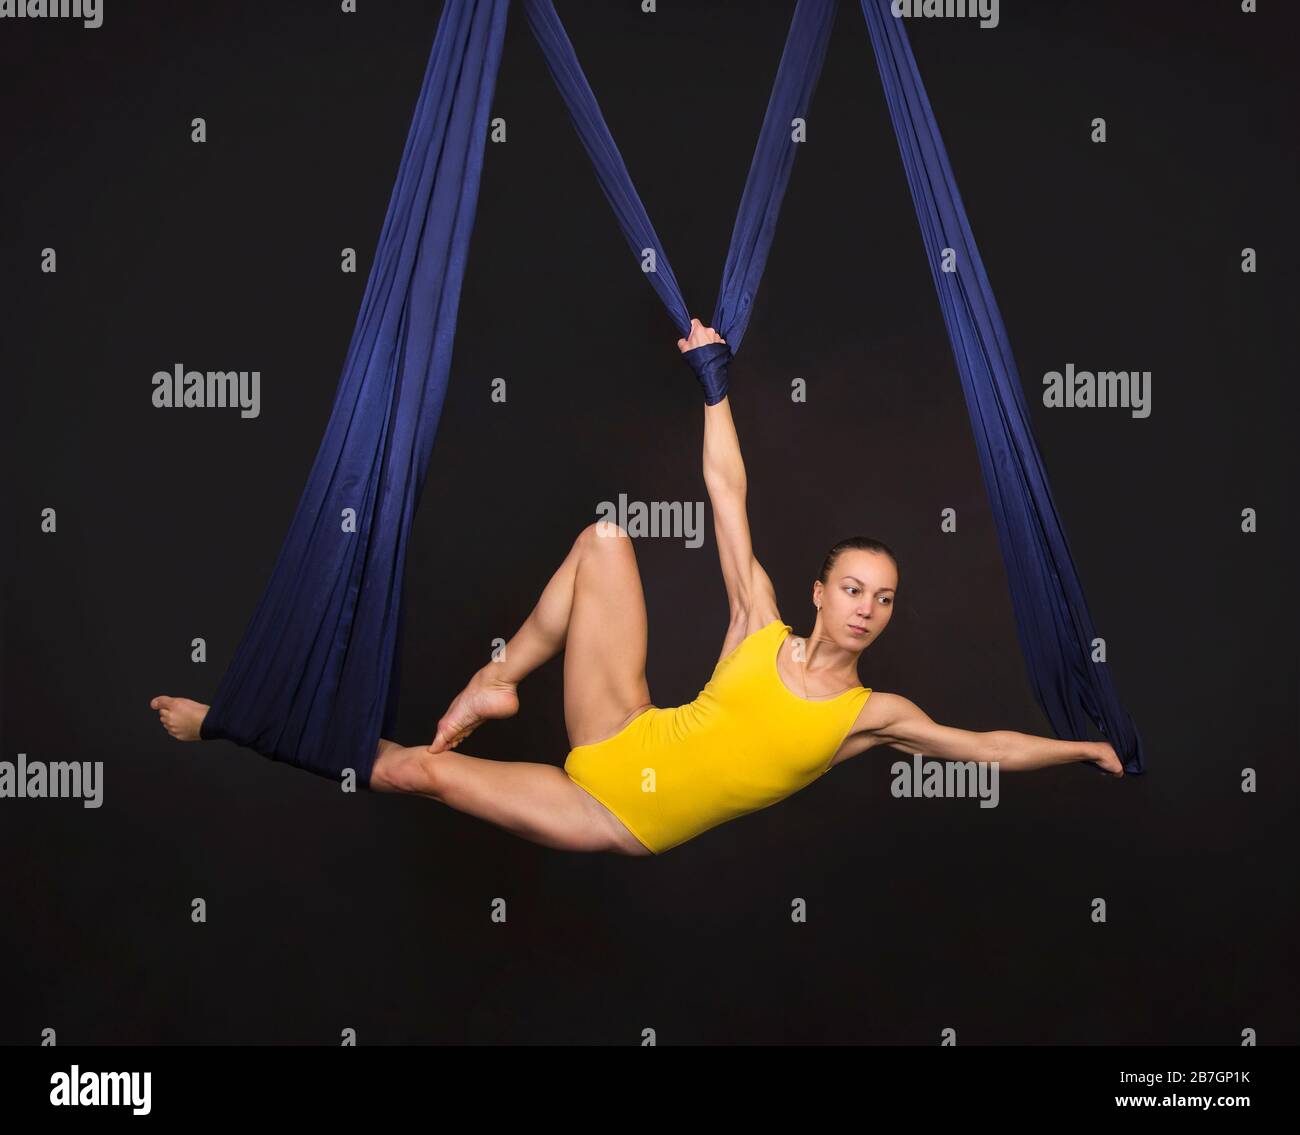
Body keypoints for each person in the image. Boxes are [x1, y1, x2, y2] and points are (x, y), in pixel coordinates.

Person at [151, 318, 1122, 856]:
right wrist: (714, 383)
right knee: (607, 539)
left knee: (421, 771)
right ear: (820, 592)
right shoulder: (757, 621)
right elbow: (726, 491)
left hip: (614, 814)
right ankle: (498, 678)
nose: (868, 606)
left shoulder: (871, 713)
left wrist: (1082, 745)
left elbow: (981, 745)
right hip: (621, 729)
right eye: (855, 587)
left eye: (884, 597)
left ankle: (229, 722)